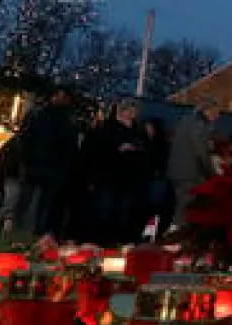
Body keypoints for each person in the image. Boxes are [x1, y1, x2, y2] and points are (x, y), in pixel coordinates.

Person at [14, 86, 80, 237]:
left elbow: (70, 149)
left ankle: (31, 235)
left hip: (49, 169)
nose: (63, 100)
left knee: (39, 205)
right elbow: (25, 139)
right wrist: (26, 161)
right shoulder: (49, 117)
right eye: (61, 97)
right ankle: (24, 234)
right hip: (40, 167)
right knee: (31, 204)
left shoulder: (65, 120)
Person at [87, 99, 149, 244]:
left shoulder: (137, 130)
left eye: (135, 110)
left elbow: (145, 149)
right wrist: (117, 148)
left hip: (129, 177)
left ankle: (117, 240)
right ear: (123, 110)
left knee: (123, 212)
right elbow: (96, 151)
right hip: (109, 176)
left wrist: (137, 150)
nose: (134, 113)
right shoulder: (108, 128)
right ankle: (101, 240)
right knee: (105, 210)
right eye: (131, 110)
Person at [168, 98, 220, 230]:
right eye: (215, 112)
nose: (217, 116)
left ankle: (176, 235)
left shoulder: (186, 121)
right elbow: (200, 152)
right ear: (206, 111)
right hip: (190, 173)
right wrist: (211, 173)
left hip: (178, 171)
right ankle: (174, 238)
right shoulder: (199, 124)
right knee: (186, 207)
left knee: (182, 204)